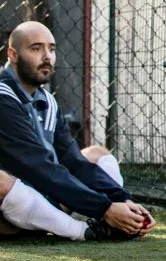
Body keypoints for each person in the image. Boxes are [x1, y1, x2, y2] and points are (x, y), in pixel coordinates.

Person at [0, 21, 155, 240]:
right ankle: (84, 231)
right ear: (12, 54)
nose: (47, 57)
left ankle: (114, 220)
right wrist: (103, 208)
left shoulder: (47, 101)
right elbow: (36, 165)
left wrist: (122, 201)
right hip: (10, 200)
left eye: (51, 49)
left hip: (41, 198)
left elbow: (71, 161)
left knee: (96, 154)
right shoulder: (3, 97)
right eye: (36, 48)